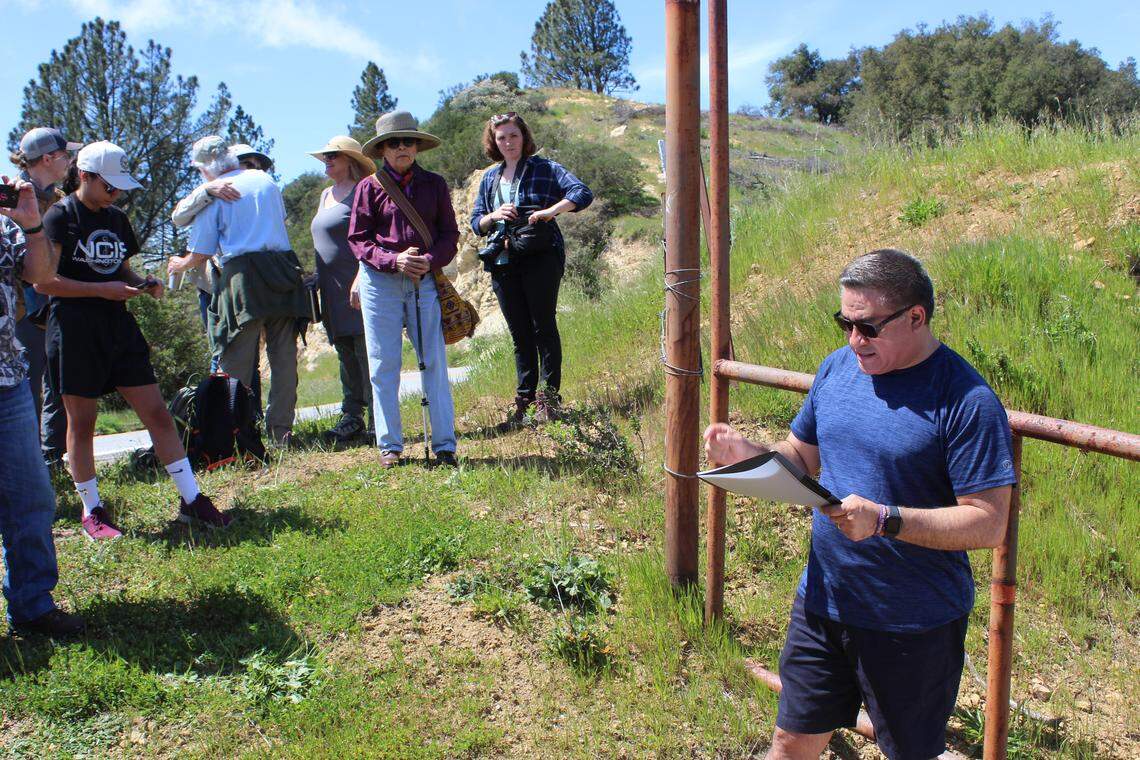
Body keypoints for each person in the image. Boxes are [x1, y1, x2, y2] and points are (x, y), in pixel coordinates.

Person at [703, 250, 1016, 760]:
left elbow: (988, 522)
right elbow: (801, 455)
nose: (853, 341)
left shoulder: (966, 401)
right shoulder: (838, 370)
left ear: (916, 317)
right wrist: (751, 455)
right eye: (844, 323)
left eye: (868, 327)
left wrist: (885, 521)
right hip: (823, 602)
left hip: (912, 624)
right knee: (789, 740)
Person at [36, 141, 229, 540]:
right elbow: (45, 282)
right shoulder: (58, 217)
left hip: (118, 327)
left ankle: (192, 500)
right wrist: (101, 291)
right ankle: (92, 512)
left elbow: (123, 271)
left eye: (120, 188)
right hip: (73, 329)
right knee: (83, 422)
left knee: (157, 412)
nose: (117, 194)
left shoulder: (117, 219)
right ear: (85, 177)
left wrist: (144, 284)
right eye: (110, 187)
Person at [168, 136, 307, 445]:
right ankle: (281, 432)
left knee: (234, 364)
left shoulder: (216, 195)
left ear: (205, 168)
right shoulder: (265, 179)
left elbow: (200, 253)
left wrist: (179, 265)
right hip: (284, 272)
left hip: (243, 279)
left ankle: (232, 435)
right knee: (284, 358)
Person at [347, 111, 458, 468]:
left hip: (423, 279)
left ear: (416, 146)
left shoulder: (435, 184)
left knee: (434, 363)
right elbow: (359, 240)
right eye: (394, 142)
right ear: (382, 149)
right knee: (383, 364)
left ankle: (445, 445)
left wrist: (429, 259)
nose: (402, 147)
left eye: (408, 141)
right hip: (381, 282)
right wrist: (392, 261)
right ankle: (390, 447)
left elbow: (449, 235)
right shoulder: (368, 187)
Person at [0, 175, 85, 636]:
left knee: (30, 499)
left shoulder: (5, 224)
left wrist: (32, 224)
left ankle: (32, 607)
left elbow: (41, 276)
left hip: (7, 379)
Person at [470, 112, 593, 426]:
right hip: (503, 261)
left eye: (513, 135)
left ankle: (549, 401)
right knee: (519, 334)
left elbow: (581, 193)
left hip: (539, 256)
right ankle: (524, 400)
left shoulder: (545, 167)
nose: (508, 143)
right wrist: (494, 215)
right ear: (493, 143)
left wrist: (550, 211)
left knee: (543, 328)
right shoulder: (489, 178)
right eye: (501, 138)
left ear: (523, 137)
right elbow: (476, 223)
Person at [11, 127, 81, 466]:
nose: (70, 161)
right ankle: (23, 467)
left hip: (51, 311)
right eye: (66, 155)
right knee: (22, 392)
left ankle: (49, 460)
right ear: (50, 158)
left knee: (55, 386)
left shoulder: (55, 200)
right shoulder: (12, 199)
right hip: (22, 314)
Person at [308, 135, 376, 445]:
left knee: (366, 351)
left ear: (350, 160)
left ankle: (379, 419)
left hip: (356, 282)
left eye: (334, 155)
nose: (328, 160)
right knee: (345, 352)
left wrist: (362, 276)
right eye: (326, 156)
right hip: (330, 288)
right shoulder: (325, 195)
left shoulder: (364, 189)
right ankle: (352, 418)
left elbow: (373, 237)